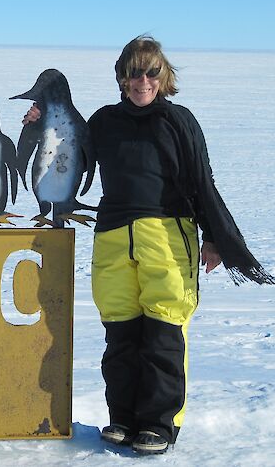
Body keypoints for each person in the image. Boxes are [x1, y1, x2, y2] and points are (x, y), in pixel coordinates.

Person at [22, 35, 274, 455]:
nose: (143, 80)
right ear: (122, 77)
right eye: (134, 71)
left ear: (164, 76)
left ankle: (158, 424)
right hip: (114, 237)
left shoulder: (178, 122)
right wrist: (38, 119)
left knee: (163, 332)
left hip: (167, 237)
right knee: (120, 331)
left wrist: (213, 238)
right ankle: (122, 417)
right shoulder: (103, 121)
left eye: (151, 71)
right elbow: (69, 151)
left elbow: (201, 182)